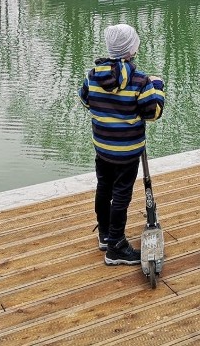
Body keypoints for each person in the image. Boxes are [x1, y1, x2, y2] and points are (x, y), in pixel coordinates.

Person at [79, 24, 165, 265]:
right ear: (131, 50)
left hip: (103, 148)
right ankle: (116, 246)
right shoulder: (140, 81)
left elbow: (86, 100)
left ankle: (105, 235)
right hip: (127, 152)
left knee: (103, 187)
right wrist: (157, 88)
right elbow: (153, 112)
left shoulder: (92, 75)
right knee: (121, 195)